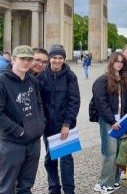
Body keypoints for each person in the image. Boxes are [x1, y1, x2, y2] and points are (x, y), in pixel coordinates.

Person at [0, 45, 46, 194]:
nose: (26, 62)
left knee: (26, 185)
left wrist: (41, 124)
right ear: (13, 59)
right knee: (6, 187)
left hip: (33, 142)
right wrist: (20, 131)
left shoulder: (32, 80)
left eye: (29, 59)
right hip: (11, 143)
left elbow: (39, 104)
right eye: (22, 59)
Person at [39, 44, 81, 194]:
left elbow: (74, 101)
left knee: (66, 159)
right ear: (50, 58)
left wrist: (67, 124)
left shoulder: (70, 76)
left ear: (64, 59)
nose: (57, 60)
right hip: (47, 125)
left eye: (60, 58)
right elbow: (38, 102)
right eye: (54, 57)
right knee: (50, 158)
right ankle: (54, 188)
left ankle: (69, 190)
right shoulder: (41, 76)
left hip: (64, 125)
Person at [92, 52, 127, 193]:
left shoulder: (123, 80)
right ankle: (103, 183)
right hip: (108, 121)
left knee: (118, 151)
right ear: (111, 62)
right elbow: (100, 102)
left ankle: (114, 180)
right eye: (117, 61)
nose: (119, 64)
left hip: (121, 121)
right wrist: (112, 120)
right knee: (109, 152)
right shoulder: (102, 80)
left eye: (122, 62)